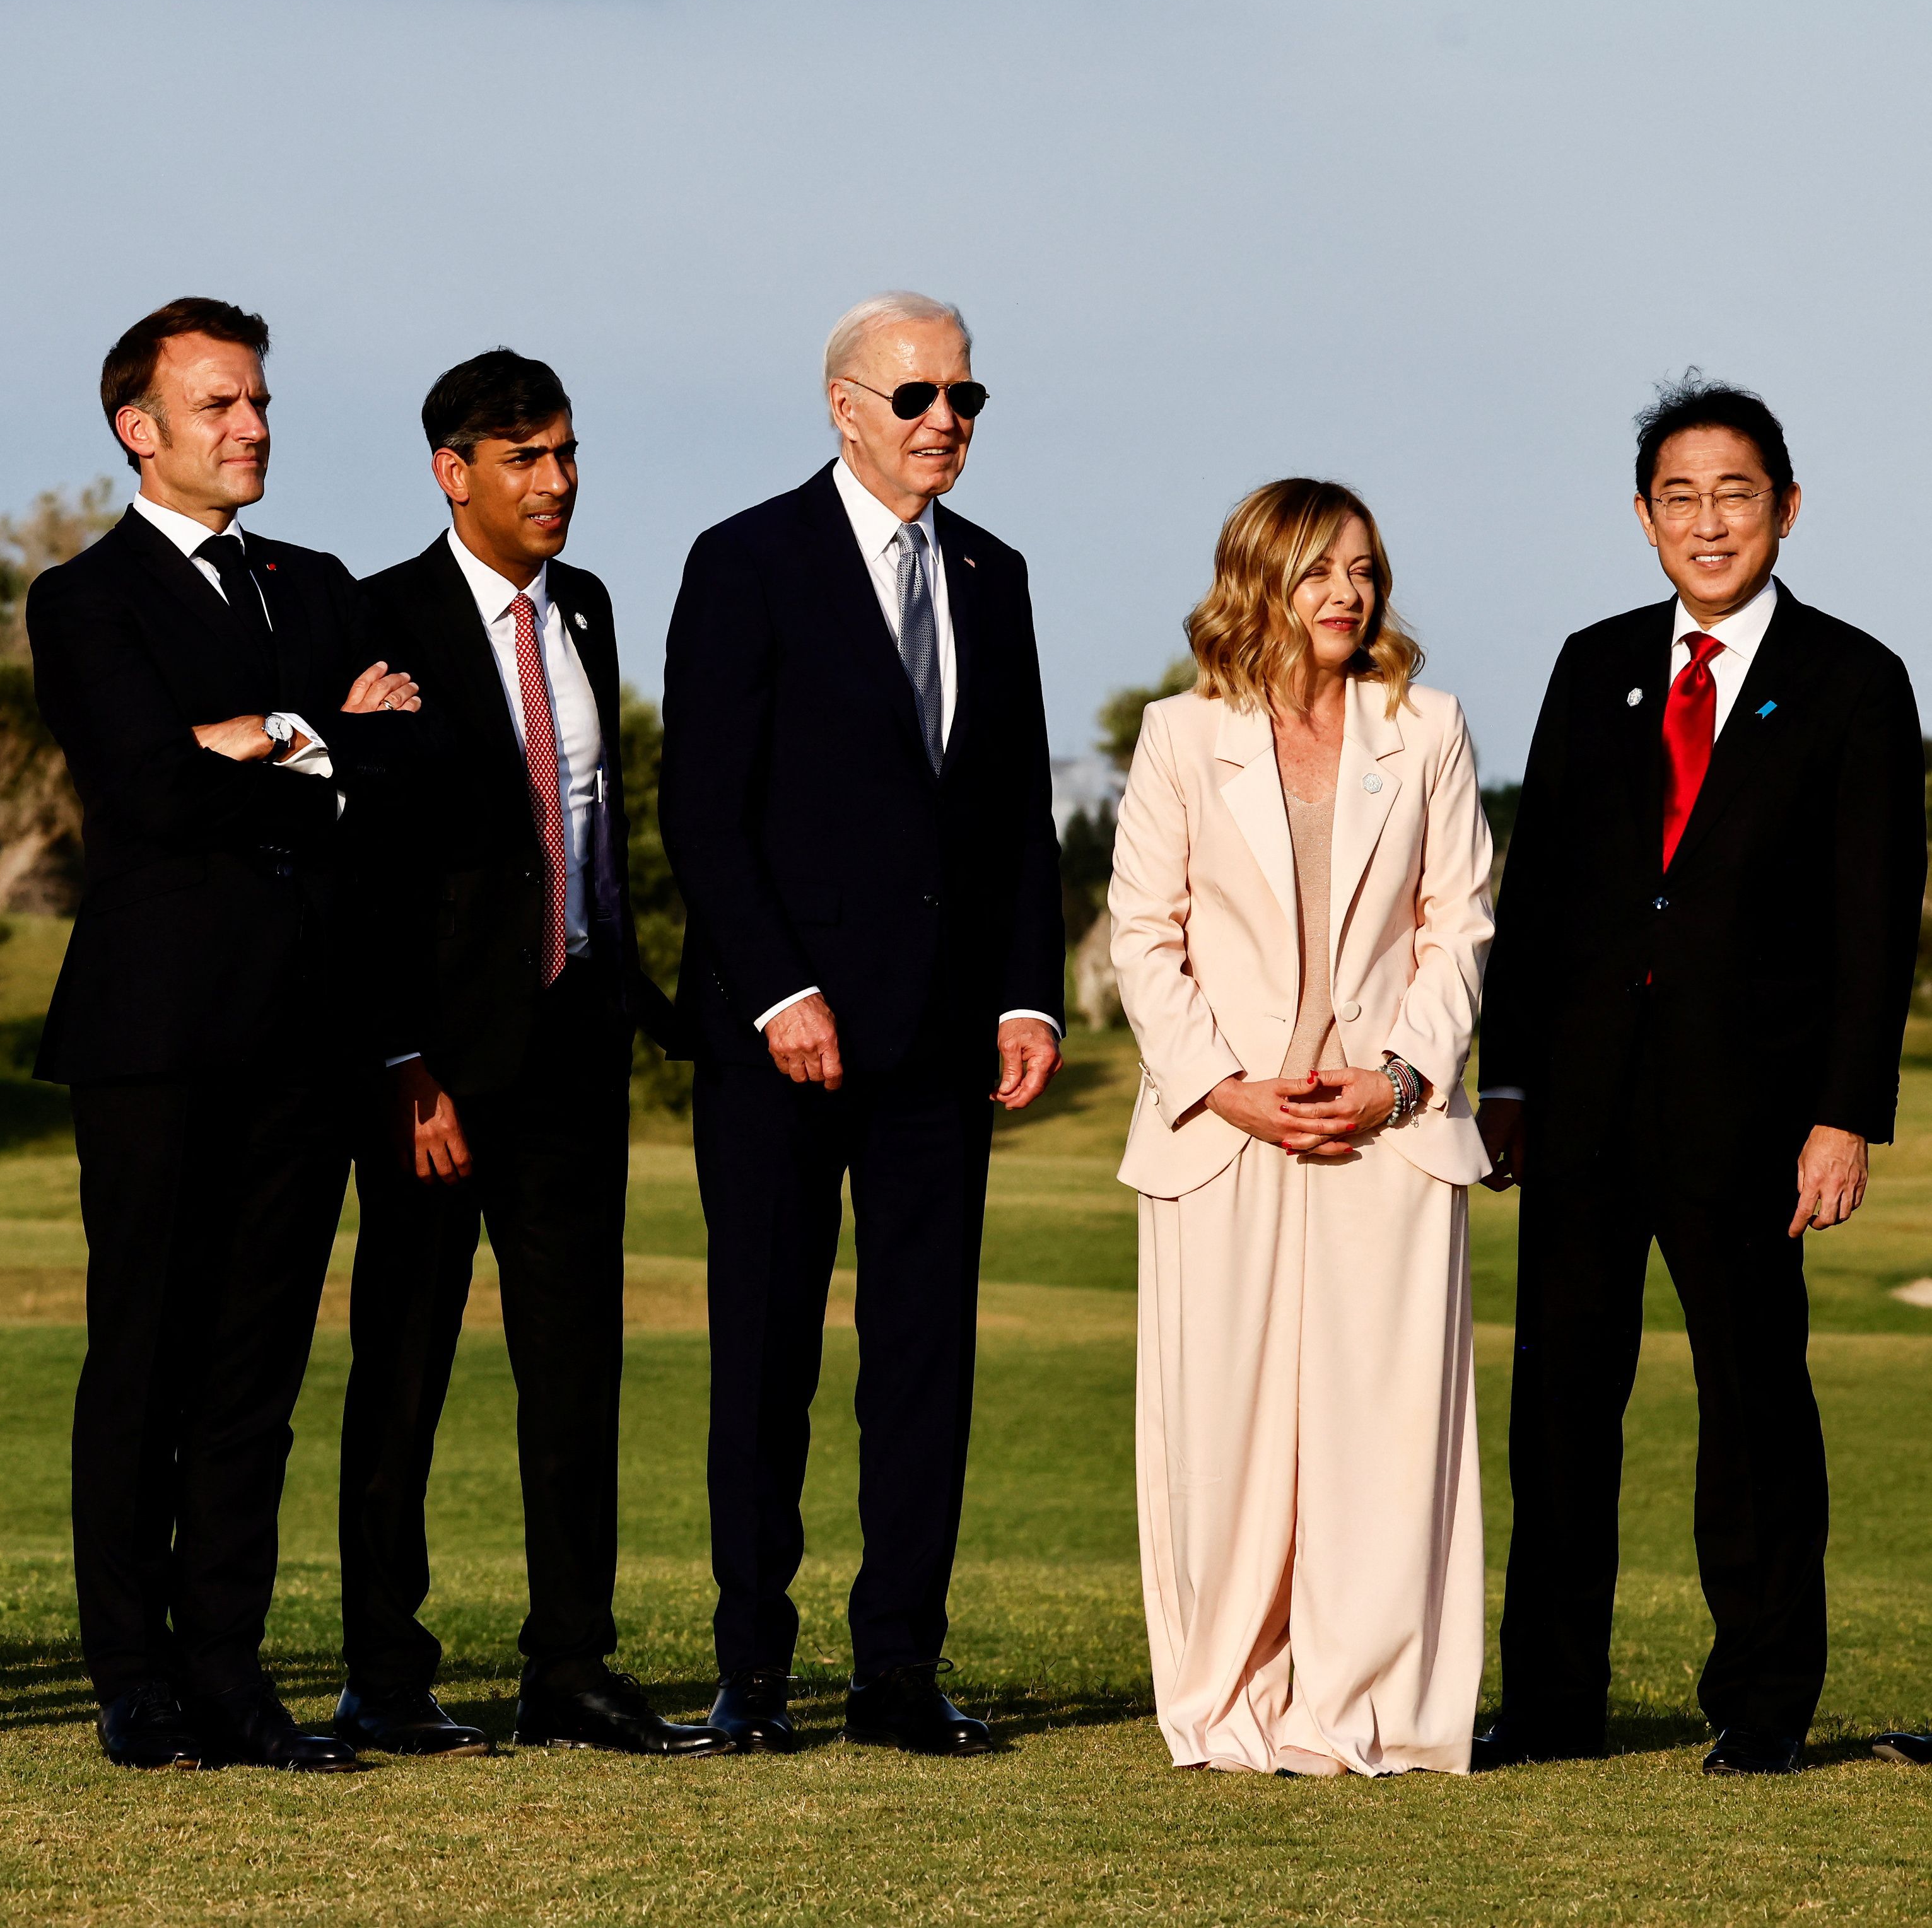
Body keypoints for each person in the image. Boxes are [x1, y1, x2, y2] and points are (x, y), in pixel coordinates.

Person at [1475, 377, 1924, 1778]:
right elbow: (1537, 897)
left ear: (1785, 508)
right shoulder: (1590, 664)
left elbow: (1874, 924)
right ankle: (1552, 1704)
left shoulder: (1856, 681)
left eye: (1736, 494)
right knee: (1559, 1411)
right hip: (1582, 1107)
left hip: (1754, 1117)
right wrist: (1508, 1082)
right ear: (1643, 515)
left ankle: (1765, 1705)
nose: (1709, 521)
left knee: (1755, 1406)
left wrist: (1846, 1114)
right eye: (1681, 496)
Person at [659, 290, 1064, 1757]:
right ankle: (751, 1670)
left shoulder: (996, 573)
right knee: (767, 1356)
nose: (946, 419)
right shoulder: (746, 559)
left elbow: (1016, 809)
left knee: (921, 1362)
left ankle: (899, 1668)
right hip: (778, 1040)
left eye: (966, 395)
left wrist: (1029, 990)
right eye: (917, 397)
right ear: (846, 408)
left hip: (943, 1046)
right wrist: (780, 988)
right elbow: (703, 806)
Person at [28, 296, 425, 1773]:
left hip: (307, 1031)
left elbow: (408, 761)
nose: (251, 424)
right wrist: (322, 734)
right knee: (143, 1354)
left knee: (256, 1372)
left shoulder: (317, 585)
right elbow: (145, 792)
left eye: (258, 398)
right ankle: (133, 1677)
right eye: (218, 403)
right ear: (139, 428)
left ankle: (230, 1673)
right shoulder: (85, 597)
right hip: (155, 1030)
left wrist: (271, 735)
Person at [333, 349, 719, 1760]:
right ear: (454, 472)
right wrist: (401, 1057)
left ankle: (571, 1666)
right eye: (525, 458)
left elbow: (592, 820)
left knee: (575, 1370)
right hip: (435, 1067)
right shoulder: (377, 617)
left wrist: (636, 995)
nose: (557, 481)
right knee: (404, 1368)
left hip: (574, 1045)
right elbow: (366, 866)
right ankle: (385, 1673)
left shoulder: (590, 608)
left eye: (566, 453)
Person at [1108, 480, 1494, 1777]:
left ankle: (1365, 1709)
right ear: (1257, 579)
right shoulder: (1179, 735)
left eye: (1365, 570)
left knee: (1382, 1435)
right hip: (1221, 1132)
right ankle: (1227, 1703)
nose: (1347, 593)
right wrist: (1225, 1085)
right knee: (1224, 1437)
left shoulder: (1429, 727)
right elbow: (1143, 935)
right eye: (1319, 569)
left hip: (1391, 1129)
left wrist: (1400, 1077)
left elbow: (1460, 925)